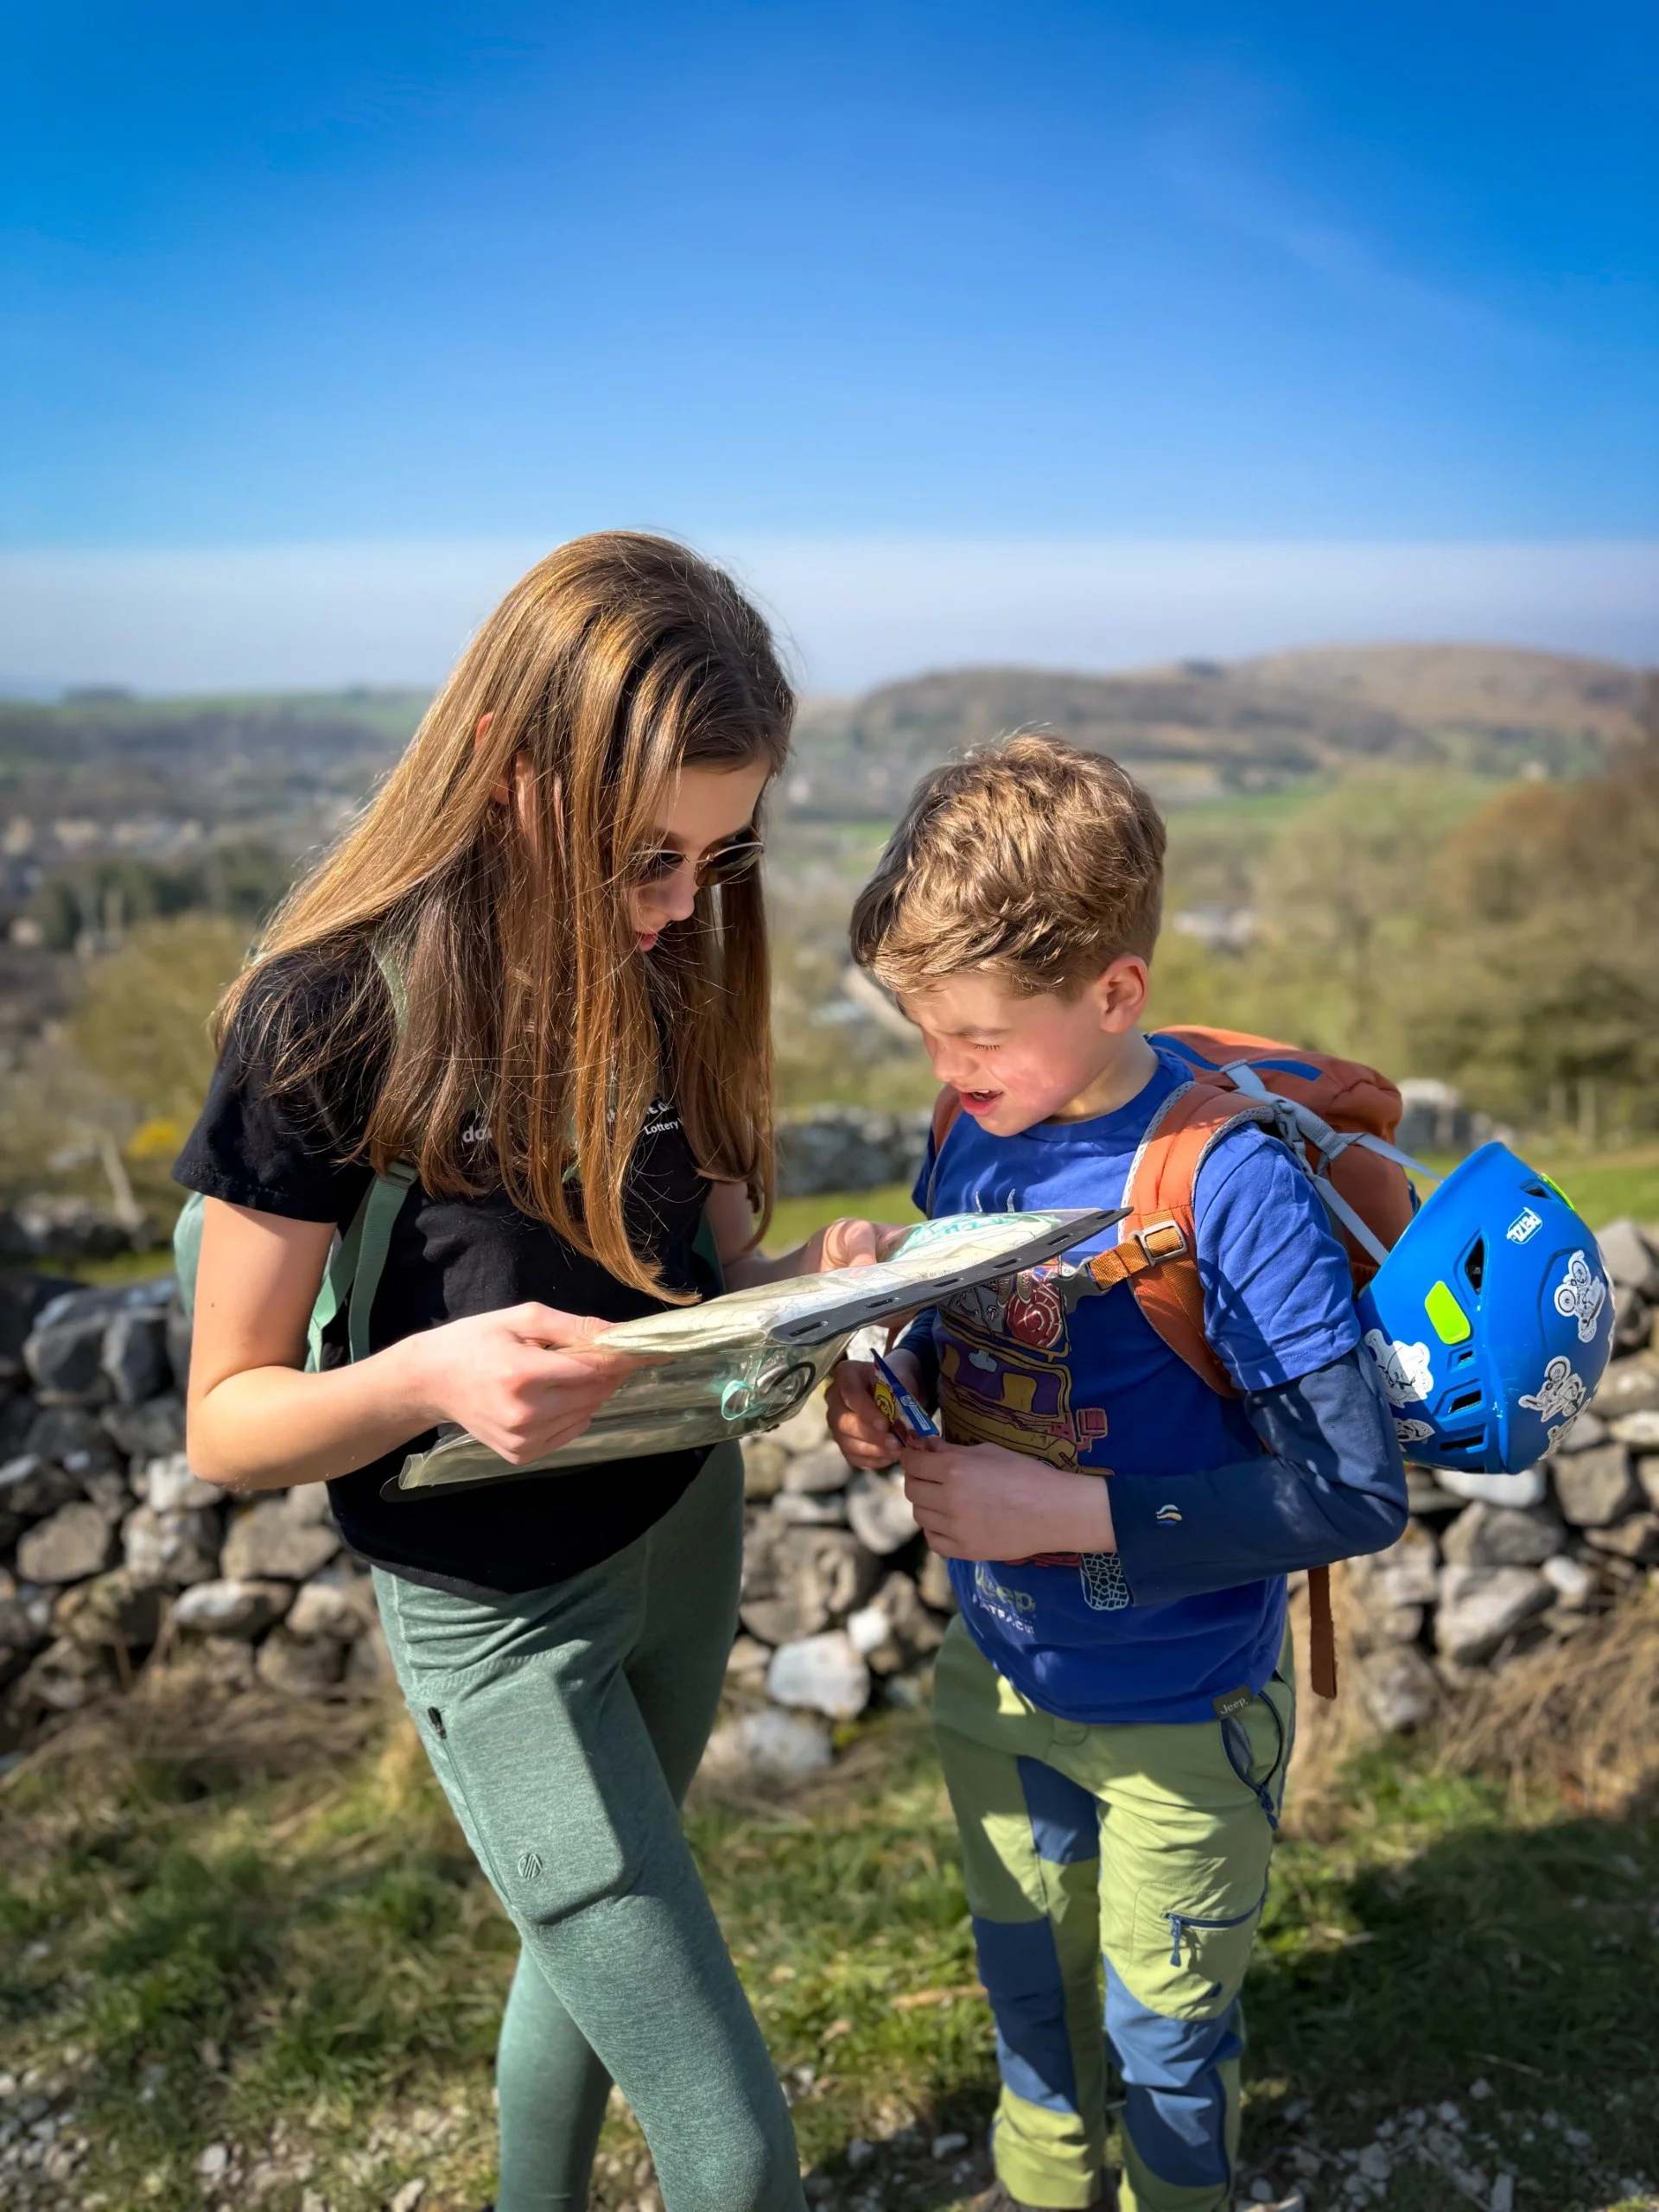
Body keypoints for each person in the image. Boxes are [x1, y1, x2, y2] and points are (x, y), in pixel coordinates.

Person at [176, 533, 893, 2212]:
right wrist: (429, 1371)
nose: (680, 906)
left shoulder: (676, 968)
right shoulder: (327, 1011)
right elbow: (226, 1419)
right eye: (648, 855)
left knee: (580, 1980)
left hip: (681, 1532)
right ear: (516, 781)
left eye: (721, 857)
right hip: (497, 1620)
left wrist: (822, 1290)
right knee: (733, 2147)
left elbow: (712, 1276)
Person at [826, 734, 1407, 2212]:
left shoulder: (1231, 1185)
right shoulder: (971, 1129)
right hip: (998, 1677)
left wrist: (1062, 1513)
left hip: (1181, 1705)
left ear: (1114, 993)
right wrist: (873, 1374)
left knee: (1163, 2036)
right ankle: (1038, 2180)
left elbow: (1352, 1493)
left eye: (976, 1038)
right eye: (927, 1039)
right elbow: (975, 1345)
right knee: (1022, 1984)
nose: (946, 1074)